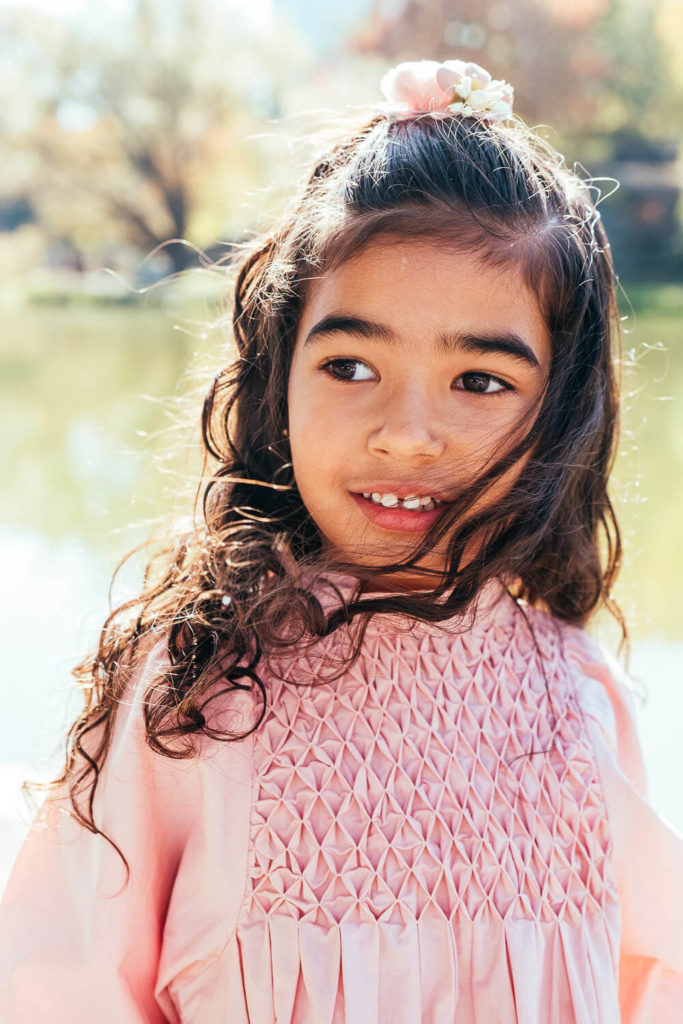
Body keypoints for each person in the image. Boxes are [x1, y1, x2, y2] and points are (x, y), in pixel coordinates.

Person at [0, 58, 681, 1024]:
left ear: (560, 410)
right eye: (351, 364)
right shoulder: (195, 694)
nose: (405, 431)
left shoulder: (577, 696)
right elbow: (61, 991)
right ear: (280, 376)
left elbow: (646, 981)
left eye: (479, 381)